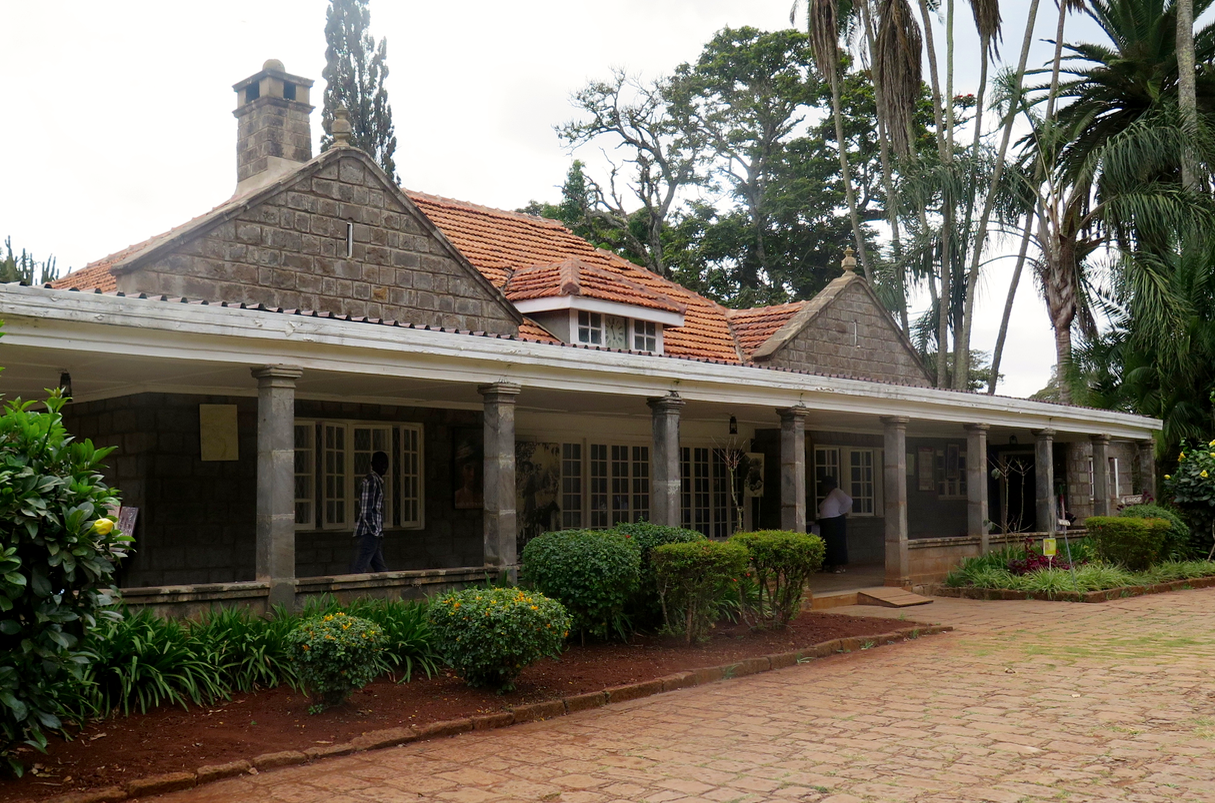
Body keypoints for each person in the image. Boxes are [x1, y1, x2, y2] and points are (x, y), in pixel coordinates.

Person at [350, 451, 389, 573]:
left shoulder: (377, 481)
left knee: (380, 568)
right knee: (359, 568)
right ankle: (353, 591)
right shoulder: (371, 480)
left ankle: (387, 590)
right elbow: (366, 509)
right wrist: (375, 531)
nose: (383, 466)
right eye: (380, 462)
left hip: (374, 533)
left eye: (385, 463)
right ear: (372, 464)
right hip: (369, 532)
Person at [817, 475, 852, 574]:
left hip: (835, 521)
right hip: (827, 522)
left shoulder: (837, 492)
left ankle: (838, 565)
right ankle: (829, 565)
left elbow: (848, 501)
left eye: (824, 485)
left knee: (836, 543)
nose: (823, 488)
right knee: (828, 544)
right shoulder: (829, 494)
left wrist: (841, 511)